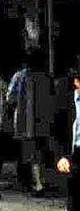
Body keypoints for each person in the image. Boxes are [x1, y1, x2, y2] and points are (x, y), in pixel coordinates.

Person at [7, 57, 53, 196]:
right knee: (41, 150)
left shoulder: (20, 76)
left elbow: (10, 97)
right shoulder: (46, 77)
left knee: (30, 153)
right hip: (44, 120)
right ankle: (41, 181)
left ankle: (37, 183)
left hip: (26, 120)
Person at [56, 68, 80, 210]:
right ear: (77, 82)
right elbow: (59, 132)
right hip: (74, 154)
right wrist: (62, 156)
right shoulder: (65, 103)